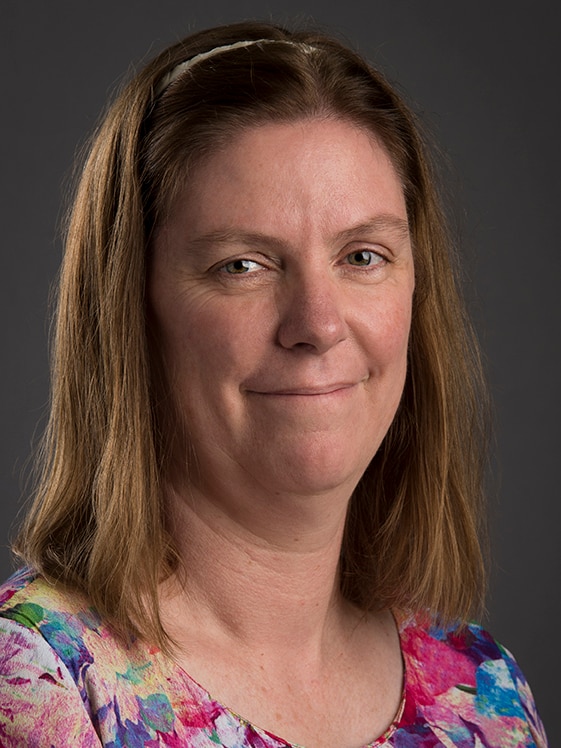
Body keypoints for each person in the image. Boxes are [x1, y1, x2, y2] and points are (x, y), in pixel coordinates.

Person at [0, 20, 548, 748]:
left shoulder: (484, 693)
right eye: (241, 265)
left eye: (362, 255)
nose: (317, 324)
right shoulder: (41, 684)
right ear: (131, 311)